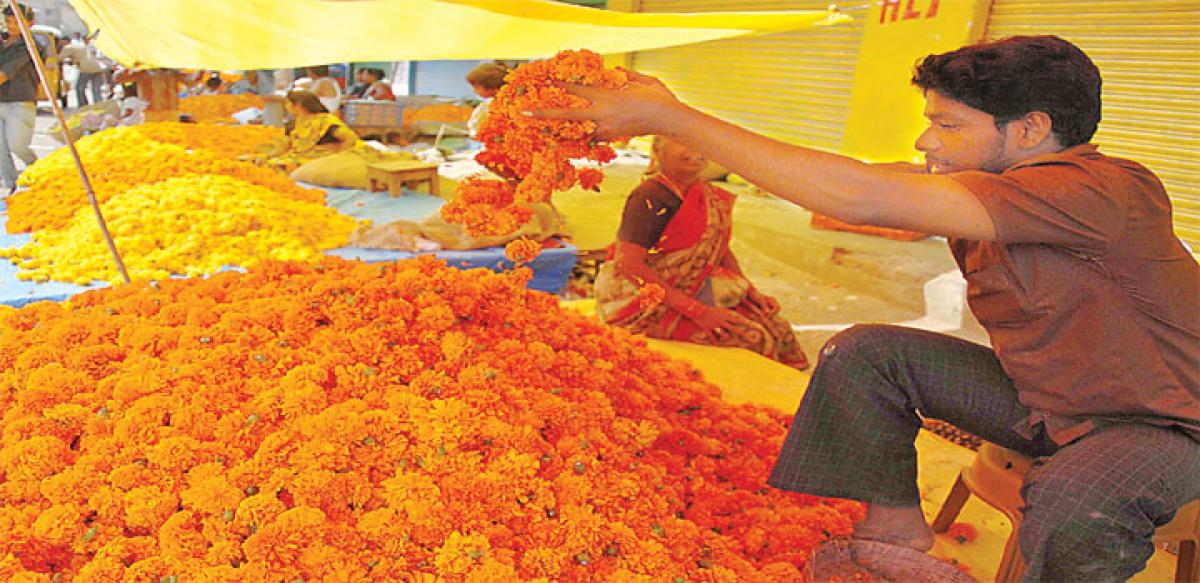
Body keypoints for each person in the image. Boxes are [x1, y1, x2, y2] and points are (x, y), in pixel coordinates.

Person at [533, 35, 1200, 581]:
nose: (925, 143)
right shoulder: (983, 183)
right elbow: (850, 176)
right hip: (1049, 403)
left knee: (1077, 501)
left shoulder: (1103, 189)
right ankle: (896, 531)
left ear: (1030, 130)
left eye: (946, 124)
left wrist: (672, 120)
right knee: (865, 355)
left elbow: (860, 196)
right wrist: (676, 119)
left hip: (1160, 424)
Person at [596, 135, 809, 370]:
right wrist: (698, 312)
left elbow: (717, 247)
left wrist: (751, 291)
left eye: (701, 145)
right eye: (683, 142)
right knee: (750, 337)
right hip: (642, 298)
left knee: (776, 327)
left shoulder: (707, 193)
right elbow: (628, 265)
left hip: (692, 287)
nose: (694, 152)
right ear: (659, 151)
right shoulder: (650, 197)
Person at [254, 90, 358, 173]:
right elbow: (284, 147)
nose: (286, 107)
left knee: (278, 167)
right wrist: (266, 156)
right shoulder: (293, 123)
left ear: (298, 105)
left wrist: (337, 157)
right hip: (297, 158)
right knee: (261, 164)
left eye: (288, 104)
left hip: (319, 160)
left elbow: (351, 138)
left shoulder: (325, 121)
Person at [0, 3, 41, 194]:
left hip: (20, 102)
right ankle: (11, 185)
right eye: (8, 21)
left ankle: (40, 171)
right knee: (1, 149)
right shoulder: (2, 42)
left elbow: (5, 74)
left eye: (16, 22)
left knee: (17, 145)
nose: (11, 26)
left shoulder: (31, 46)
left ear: (29, 23)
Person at [60, 33, 104, 106]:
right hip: (97, 67)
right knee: (96, 90)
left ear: (64, 41)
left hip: (86, 68)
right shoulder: (80, 45)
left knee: (80, 87)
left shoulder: (68, 47)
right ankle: (99, 106)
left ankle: (83, 105)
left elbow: (59, 58)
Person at [465, 62, 507, 138]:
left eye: (476, 87)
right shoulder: (489, 104)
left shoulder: (501, 107)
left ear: (494, 88)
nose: (474, 90)